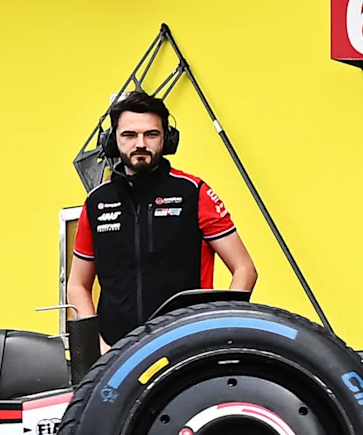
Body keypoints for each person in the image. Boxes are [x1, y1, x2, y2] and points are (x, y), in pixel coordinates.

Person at [61, 91, 257, 358]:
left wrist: (219, 330)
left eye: (150, 134)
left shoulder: (194, 192)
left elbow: (245, 269)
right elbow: (77, 285)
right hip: (116, 355)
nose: (140, 143)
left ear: (167, 139)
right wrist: (96, 345)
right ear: (112, 141)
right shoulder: (96, 202)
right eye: (129, 135)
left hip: (185, 350)